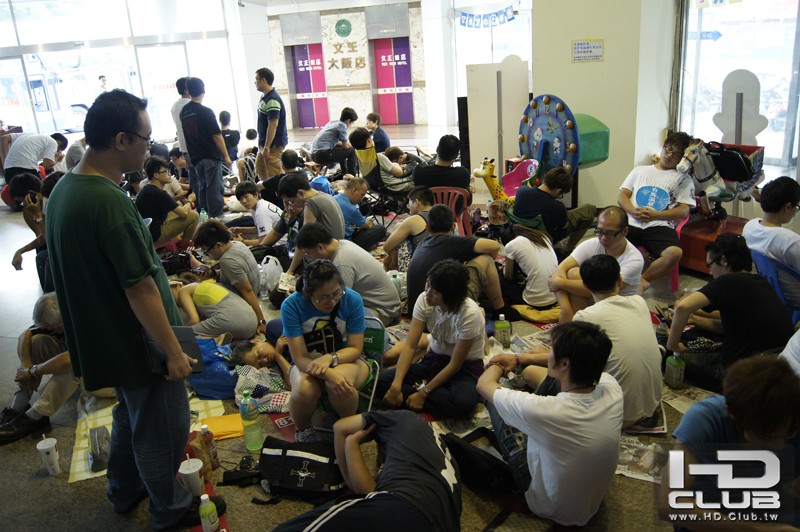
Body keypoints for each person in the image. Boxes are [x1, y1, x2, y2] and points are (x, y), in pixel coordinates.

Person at [45, 89, 225, 528]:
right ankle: (170, 509)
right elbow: (140, 288)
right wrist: (173, 351)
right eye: (145, 138)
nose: (150, 147)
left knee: (132, 416)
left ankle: (124, 490)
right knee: (161, 427)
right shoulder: (108, 201)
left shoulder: (67, 188)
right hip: (139, 339)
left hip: (108, 336)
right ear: (121, 139)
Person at [477, 321, 623, 527]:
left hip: (548, 505)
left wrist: (497, 364)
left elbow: (483, 385)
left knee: (494, 402)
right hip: (589, 502)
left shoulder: (548, 411)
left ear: (564, 363)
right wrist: (518, 358)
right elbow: (555, 367)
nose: (548, 353)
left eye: (552, 350)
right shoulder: (612, 386)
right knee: (550, 378)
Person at [659, 357, 800, 528]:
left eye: (788, 434)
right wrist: (759, 530)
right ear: (732, 413)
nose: (779, 445)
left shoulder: (792, 415)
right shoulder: (703, 419)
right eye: (765, 436)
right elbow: (669, 504)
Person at [274, 410, 462, 532]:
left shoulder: (398, 418)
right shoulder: (429, 448)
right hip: (444, 523)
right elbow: (373, 492)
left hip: (405, 506)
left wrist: (352, 442)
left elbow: (340, 427)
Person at [666, 233, 794, 391]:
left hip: (744, 374)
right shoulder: (760, 281)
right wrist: (695, 320)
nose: (710, 272)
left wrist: (673, 346)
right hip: (777, 365)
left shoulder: (727, 281)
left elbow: (682, 307)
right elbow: (731, 326)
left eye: (709, 265)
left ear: (723, 260)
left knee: (668, 356)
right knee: (703, 335)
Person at [378, 260, 486, 419]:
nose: (427, 293)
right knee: (383, 382)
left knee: (462, 405)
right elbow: (410, 346)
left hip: (464, 367)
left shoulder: (469, 314)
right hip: (434, 359)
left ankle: (419, 395)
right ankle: (428, 395)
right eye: (428, 285)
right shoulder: (424, 300)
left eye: (434, 292)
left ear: (449, 295)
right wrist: (396, 385)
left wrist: (424, 393)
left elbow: (455, 364)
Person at [0, 293, 113, 444]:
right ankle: (17, 408)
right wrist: (25, 364)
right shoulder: (59, 315)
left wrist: (34, 370)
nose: (53, 330)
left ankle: (36, 416)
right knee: (37, 341)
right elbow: (25, 335)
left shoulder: (86, 322)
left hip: (110, 380)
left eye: (54, 327)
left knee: (74, 366)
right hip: (85, 366)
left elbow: (70, 359)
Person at [278, 260, 372, 441]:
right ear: (307, 293)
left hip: (347, 359)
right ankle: (303, 430)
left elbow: (355, 349)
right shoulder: (292, 305)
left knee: (342, 384)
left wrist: (330, 358)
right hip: (308, 362)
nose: (332, 301)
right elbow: (299, 358)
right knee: (305, 389)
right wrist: (328, 374)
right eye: (323, 298)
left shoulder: (351, 299)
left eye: (336, 293)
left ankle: (347, 430)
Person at [572, 255, 662, 427]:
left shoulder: (585, 317)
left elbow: (570, 364)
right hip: (652, 405)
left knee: (534, 373)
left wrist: (525, 358)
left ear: (585, 286)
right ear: (620, 280)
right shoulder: (640, 302)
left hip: (617, 416)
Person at [406, 204, 518, 321]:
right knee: (486, 259)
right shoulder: (455, 242)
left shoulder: (421, 244)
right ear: (453, 226)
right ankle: (500, 308)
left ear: (427, 228)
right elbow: (494, 246)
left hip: (417, 311)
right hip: (443, 313)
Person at [618, 131, 694, 293]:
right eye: (668, 149)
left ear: (682, 158)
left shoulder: (684, 179)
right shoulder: (640, 170)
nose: (669, 155)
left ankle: (642, 280)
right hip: (631, 222)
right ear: (663, 147)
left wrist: (656, 215)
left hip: (660, 225)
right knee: (607, 242)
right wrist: (633, 211)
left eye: (676, 154)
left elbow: (684, 210)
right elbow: (622, 196)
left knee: (674, 253)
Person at [548, 206, 644, 322]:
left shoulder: (634, 259)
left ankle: (578, 323)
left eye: (609, 233)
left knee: (573, 277)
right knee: (572, 272)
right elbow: (559, 270)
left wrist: (560, 283)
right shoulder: (592, 244)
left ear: (624, 232)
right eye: (599, 231)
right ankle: (575, 320)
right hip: (594, 300)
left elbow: (602, 290)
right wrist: (565, 309)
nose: (603, 238)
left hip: (617, 308)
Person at [295, 223, 400, 326]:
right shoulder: (342, 243)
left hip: (383, 311)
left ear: (320, 247)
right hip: (383, 305)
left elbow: (340, 302)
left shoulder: (341, 263)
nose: (310, 258)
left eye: (308, 253)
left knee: (325, 321)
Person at [193, 220, 267, 335]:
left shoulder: (227, 260)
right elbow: (237, 274)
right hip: (248, 292)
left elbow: (247, 291)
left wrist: (261, 321)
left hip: (242, 302)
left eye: (207, 252)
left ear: (218, 245)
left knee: (199, 291)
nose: (208, 256)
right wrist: (213, 273)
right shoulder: (237, 244)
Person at [743, 175, 800, 307]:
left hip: (767, 294)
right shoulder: (790, 241)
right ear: (788, 207)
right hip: (793, 301)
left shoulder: (749, 227)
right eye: (796, 207)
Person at [512, 166, 596, 253]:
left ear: (545, 179)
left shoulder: (521, 191)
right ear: (558, 191)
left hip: (521, 233)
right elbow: (564, 227)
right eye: (561, 194)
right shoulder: (557, 207)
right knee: (589, 210)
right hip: (546, 236)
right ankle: (567, 250)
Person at [180, 77, 231, 217]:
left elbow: (185, 135)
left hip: (196, 157)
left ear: (188, 91)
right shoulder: (206, 111)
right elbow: (216, 135)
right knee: (214, 188)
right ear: (203, 90)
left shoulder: (184, 111)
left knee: (203, 188)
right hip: (210, 155)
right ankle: (216, 218)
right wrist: (226, 156)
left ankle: (205, 215)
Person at [278, 170, 345, 275]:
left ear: (300, 193)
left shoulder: (310, 204)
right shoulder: (325, 196)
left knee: (285, 261)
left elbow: (304, 240)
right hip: (338, 249)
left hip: (326, 258)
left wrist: (290, 270)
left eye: (292, 201)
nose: (292, 205)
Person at [11, 172, 63, 292]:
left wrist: (39, 217)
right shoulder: (39, 206)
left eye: (21, 201)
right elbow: (42, 237)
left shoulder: (50, 203)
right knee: (41, 256)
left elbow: (48, 240)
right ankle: (47, 297)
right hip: (59, 243)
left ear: (30, 194)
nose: (23, 205)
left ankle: (51, 297)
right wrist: (20, 251)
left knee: (48, 260)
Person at [135, 156, 199, 247]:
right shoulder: (158, 192)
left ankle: (180, 242)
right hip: (155, 234)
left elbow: (164, 202)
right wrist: (190, 200)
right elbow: (184, 213)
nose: (169, 174)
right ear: (156, 175)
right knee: (193, 215)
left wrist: (178, 197)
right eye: (165, 171)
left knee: (178, 207)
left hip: (146, 231)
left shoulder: (148, 188)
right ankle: (183, 246)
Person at [171, 280, 257, 340]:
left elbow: (194, 320)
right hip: (252, 323)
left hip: (230, 320)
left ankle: (216, 340)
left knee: (182, 335)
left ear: (179, 285)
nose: (171, 300)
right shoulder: (205, 285)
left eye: (170, 293)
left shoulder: (183, 291)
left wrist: (179, 329)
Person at [501, 224, 559, 309]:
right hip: (556, 295)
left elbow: (508, 277)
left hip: (534, 301)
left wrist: (503, 267)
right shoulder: (543, 237)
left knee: (498, 277)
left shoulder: (511, 245)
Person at [412, 134, 471, 212]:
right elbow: (468, 201)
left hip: (428, 214)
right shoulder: (463, 174)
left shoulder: (419, 171)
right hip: (453, 213)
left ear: (437, 149)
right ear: (456, 155)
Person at [382, 185, 433, 272]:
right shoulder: (441, 214)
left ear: (416, 202)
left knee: (399, 227)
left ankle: (394, 263)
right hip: (442, 263)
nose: (408, 207)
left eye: (409, 204)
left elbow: (387, 247)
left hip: (419, 269)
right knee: (401, 226)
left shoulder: (414, 220)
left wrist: (393, 257)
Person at [349, 127, 413, 193]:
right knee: (418, 175)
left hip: (374, 187)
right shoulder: (378, 157)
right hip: (393, 187)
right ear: (369, 140)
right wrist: (397, 165)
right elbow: (400, 173)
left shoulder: (359, 158)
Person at [334, 177, 387, 251]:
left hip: (334, 239)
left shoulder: (334, 197)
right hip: (347, 243)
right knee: (381, 229)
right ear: (354, 190)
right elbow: (368, 225)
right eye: (362, 195)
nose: (361, 199)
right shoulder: (352, 208)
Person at [254, 67, 288, 179]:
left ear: (263, 80)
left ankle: (280, 189)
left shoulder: (272, 99)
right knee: (260, 169)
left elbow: (273, 125)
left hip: (273, 144)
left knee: (275, 173)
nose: (255, 82)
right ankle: (267, 189)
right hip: (264, 143)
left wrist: (267, 147)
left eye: (256, 79)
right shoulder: (264, 97)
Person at [229, 180, 285, 246]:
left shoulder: (261, 212)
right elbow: (259, 229)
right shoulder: (258, 206)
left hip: (281, 245)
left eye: (246, 197)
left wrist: (242, 241)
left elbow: (263, 243)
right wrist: (240, 230)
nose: (244, 201)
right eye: (241, 199)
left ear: (256, 195)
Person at [310, 107, 358, 177]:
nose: (351, 125)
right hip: (322, 155)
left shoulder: (333, 122)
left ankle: (344, 173)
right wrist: (355, 145)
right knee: (352, 151)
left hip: (313, 155)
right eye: (352, 123)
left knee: (342, 149)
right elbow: (346, 146)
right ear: (348, 121)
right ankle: (352, 177)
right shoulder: (342, 126)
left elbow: (338, 143)